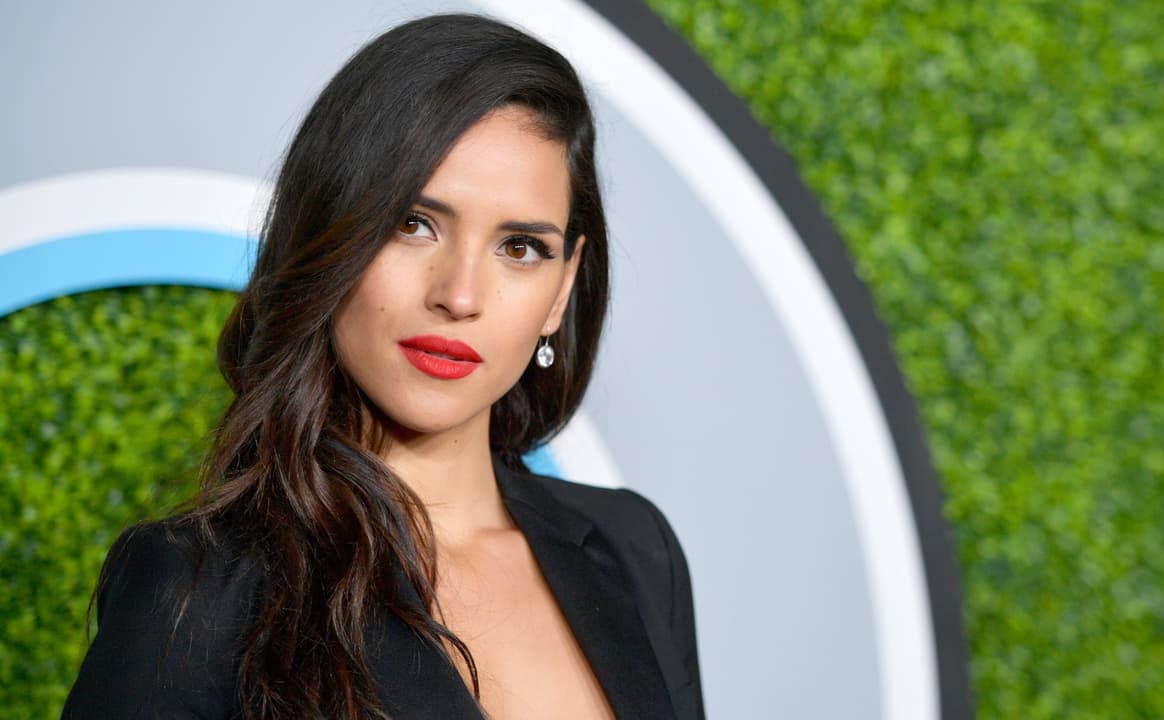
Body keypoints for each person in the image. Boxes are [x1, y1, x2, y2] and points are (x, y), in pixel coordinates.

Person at [61, 14, 703, 720]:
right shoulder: (195, 588)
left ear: (562, 289)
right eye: (413, 223)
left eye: (519, 247)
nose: (459, 295)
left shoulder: (635, 550)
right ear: (330, 235)